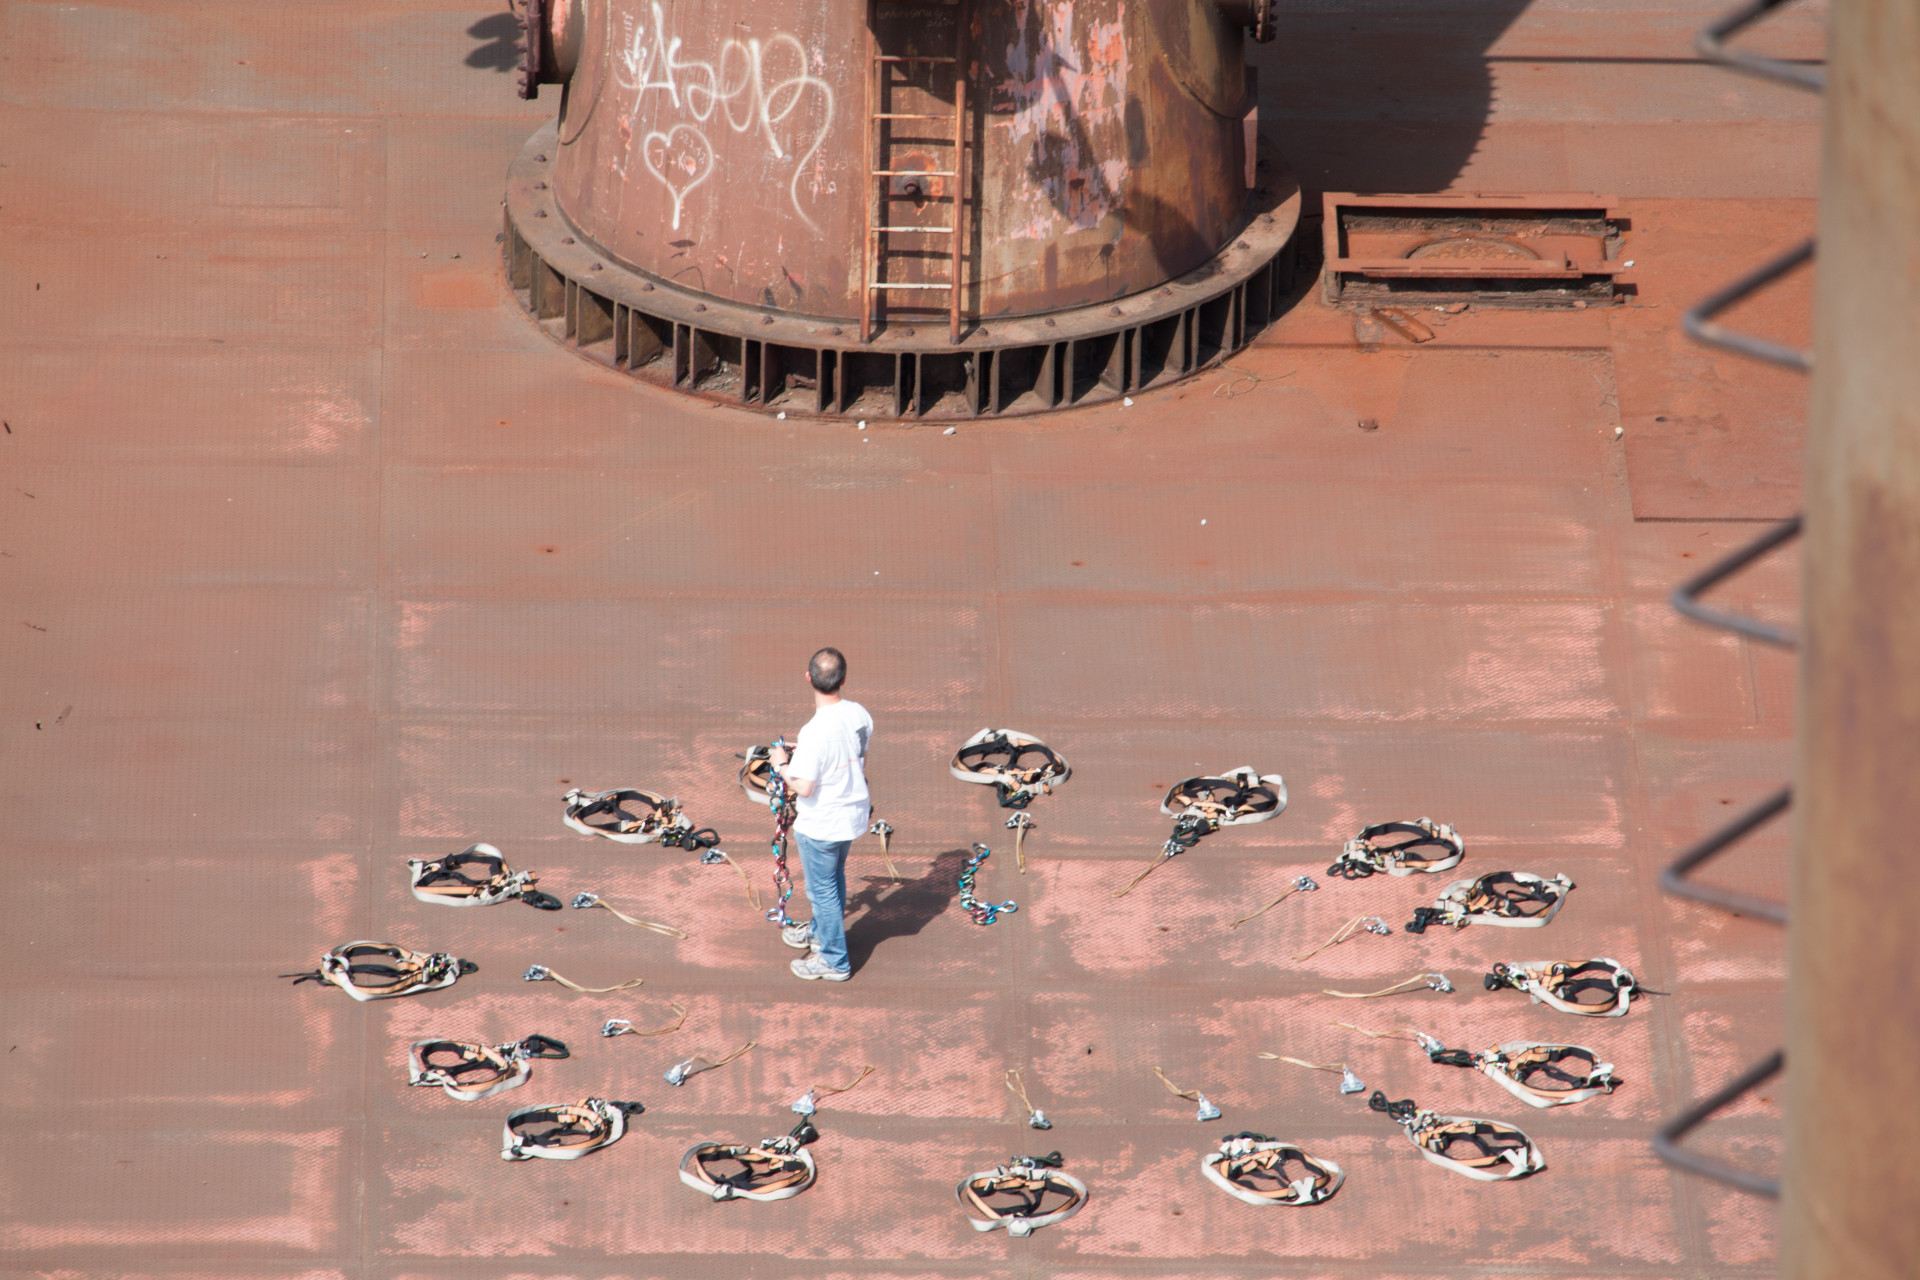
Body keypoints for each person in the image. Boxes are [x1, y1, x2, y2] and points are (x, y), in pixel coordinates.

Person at [768, 647, 873, 981]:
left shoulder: (814, 732)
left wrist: (782, 765)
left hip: (822, 824)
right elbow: (857, 756)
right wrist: (807, 756)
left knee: (822, 891)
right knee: (833, 880)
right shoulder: (859, 714)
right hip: (850, 816)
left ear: (809, 678)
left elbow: (805, 787)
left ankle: (834, 960)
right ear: (843, 679)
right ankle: (820, 932)